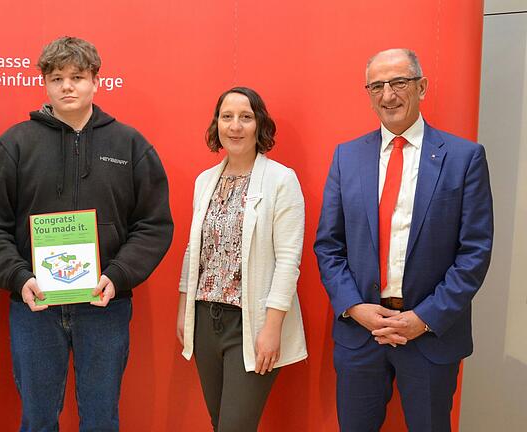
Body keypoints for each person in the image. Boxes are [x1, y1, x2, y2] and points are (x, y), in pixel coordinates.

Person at [0, 36, 173, 431]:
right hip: (35, 306)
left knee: (101, 420)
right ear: (44, 83)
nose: (67, 86)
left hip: (105, 305)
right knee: (38, 420)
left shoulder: (130, 145)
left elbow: (153, 225)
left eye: (77, 77)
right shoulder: (15, 145)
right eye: (58, 77)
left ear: (96, 81)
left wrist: (117, 276)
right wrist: (18, 277)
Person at [314, 48, 493, 431]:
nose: (387, 95)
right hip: (361, 334)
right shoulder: (347, 157)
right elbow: (329, 245)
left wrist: (424, 318)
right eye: (376, 85)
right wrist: (355, 308)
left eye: (398, 82)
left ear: (421, 86)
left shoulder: (464, 158)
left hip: (429, 337)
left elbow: (474, 253)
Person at [177, 87, 308, 431]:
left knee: (235, 426)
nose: (235, 126)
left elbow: (288, 260)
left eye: (245, 117)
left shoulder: (281, 180)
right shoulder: (205, 181)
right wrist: (183, 310)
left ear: (259, 125)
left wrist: (273, 328)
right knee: (218, 422)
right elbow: (194, 249)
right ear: (216, 124)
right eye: (227, 117)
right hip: (205, 319)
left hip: (252, 322)